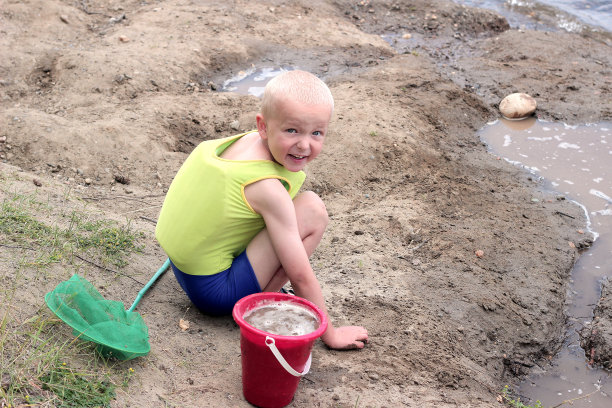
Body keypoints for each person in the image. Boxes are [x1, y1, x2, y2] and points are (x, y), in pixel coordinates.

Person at [155, 70, 368, 350]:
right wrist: (330, 333)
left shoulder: (244, 144)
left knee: (287, 214)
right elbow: (300, 274)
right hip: (215, 294)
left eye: (317, 133)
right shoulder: (267, 188)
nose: (304, 144)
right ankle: (259, 302)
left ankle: (254, 286)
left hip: (185, 270)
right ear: (264, 126)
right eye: (292, 130)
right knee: (312, 210)